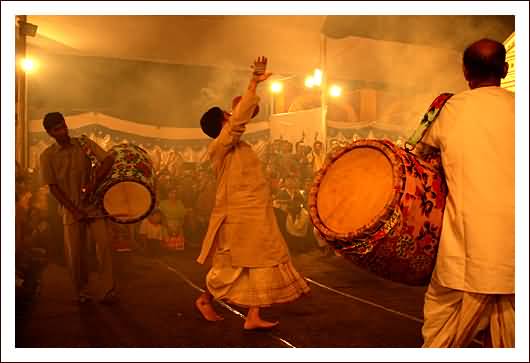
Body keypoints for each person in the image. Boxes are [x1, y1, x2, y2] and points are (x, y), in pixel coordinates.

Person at [195, 56, 310, 330]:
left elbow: (242, 122)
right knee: (231, 267)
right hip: (238, 217)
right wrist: (253, 83)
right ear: (223, 123)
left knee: (261, 262)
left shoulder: (240, 147)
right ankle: (204, 299)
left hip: (256, 213)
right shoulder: (219, 147)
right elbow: (239, 122)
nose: (231, 115)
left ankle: (253, 316)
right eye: (227, 114)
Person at [418, 39, 514, 347]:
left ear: (464, 72)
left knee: (439, 333)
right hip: (515, 256)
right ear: (505, 68)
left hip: (463, 255)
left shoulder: (447, 109)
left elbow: (418, 158)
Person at [39, 112, 117, 304]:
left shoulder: (83, 143)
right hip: (70, 209)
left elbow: (108, 159)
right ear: (50, 133)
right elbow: (53, 188)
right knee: (76, 254)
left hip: (94, 205)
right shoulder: (47, 156)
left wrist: (94, 183)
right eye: (57, 129)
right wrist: (74, 210)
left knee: (105, 246)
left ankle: (108, 290)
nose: (63, 131)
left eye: (63, 126)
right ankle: (82, 292)